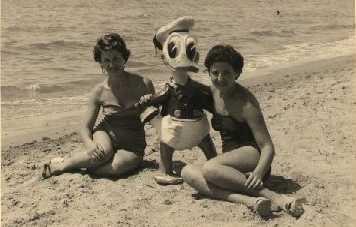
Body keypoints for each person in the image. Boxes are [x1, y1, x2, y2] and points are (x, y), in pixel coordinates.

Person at [181, 45, 304, 217]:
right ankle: (250, 201)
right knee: (187, 172)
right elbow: (182, 84)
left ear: (237, 74)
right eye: (215, 72)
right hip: (228, 164)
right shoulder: (212, 92)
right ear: (208, 72)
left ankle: (274, 197)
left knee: (209, 169)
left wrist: (259, 173)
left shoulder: (246, 103)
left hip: (253, 156)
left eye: (227, 73)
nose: (220, 78)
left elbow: (268, 146)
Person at [41, 33, 155, 178]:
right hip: (106, 133)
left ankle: (82, 165)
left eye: (116, 58)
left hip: (132, 143)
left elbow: (156, 116)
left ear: (124, 57)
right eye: (106, 60)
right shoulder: (99, 91)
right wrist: (89, 144)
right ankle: (61, 165)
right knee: (101, 154)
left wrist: (151, 105)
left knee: (117, 168)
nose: (112, 65)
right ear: (100, 63)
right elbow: (85, 127)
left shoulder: (143, 84)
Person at [139, 17, 217, 185]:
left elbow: (210, 103)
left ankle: (214, 164)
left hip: (193, 129)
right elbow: (157, 98)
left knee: (201, 140)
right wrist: (147, 101)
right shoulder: (174, 88)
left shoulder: (195, 88)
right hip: (184, 128)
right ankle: (165, 170)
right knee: (169, 139)